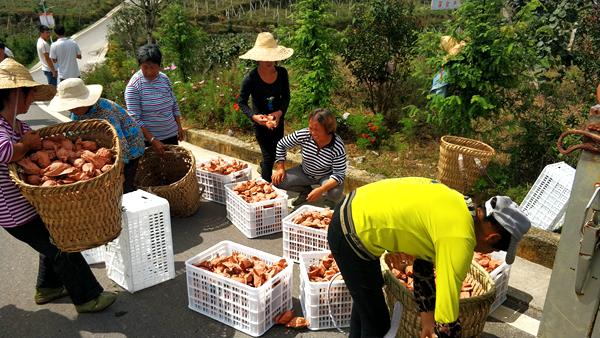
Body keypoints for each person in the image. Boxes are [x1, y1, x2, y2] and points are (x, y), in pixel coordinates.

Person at [327, 177, 531, 338]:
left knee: (368, 304)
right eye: (493, 249)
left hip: (353, 213)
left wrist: (426, 321)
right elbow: (448, 322)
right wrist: (439, 325)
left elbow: (423, 269)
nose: (486, 253)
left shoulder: (460, 206)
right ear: (492, 237)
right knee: (377, 323)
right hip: (351, 234)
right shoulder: (460, 239)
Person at [0, 58, 116, 312]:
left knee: (50, 241)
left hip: (28, 204)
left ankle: (48, 288)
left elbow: (35, 143)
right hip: (13, 212)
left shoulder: (17, 125)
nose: (32, 101)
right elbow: (5, 152)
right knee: (60, 246)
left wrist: (58, 149)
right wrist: (28, 146)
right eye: (30, 95)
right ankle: (88, 298)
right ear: (17, 94)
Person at [48, 78, 145, 193]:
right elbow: (75, 134)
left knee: (125, 187)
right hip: (106, 146)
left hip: (130, 146)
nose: (73, 109)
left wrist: (120, 172)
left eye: (75, 106)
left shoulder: (105, 111)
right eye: (70, 107)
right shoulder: (76, 114)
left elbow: (120, 141)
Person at [238, 32, 292, 182]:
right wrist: (254, 117)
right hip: (260, 122)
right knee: (269, 156)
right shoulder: (251, 78)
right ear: (258, 58)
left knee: (278, 151)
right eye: (265, 57)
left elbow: (286, 97)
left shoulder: (282, 73)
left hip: (277, 119)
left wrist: (279, 113)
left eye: (272, 56)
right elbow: (241, 102)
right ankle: (267, 187)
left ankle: (264, 169)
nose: (269, 61)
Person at [272, 108, 347, 207]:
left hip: (326, 176)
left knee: (335, 192)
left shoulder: (337, 145)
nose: (312, 132)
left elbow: (339, 175)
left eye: (316, 129)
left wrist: (321, 189)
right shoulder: (305, 134)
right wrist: (280, 167)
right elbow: (282, 144)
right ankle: (305, 192)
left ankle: (330, 202)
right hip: (305, 172)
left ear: (328, 129)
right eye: (310, 128)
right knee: (278, 181)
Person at [124, 44, 183, 155]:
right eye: (145, 67)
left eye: (153, 67)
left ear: (159, 66)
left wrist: (179, 126)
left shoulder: (164, 79)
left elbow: (174, 103)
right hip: (150, 141)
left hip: (171, 135)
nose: (149, 71)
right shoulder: (134, 86)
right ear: (140, 65)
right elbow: (135, 118)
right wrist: (152, 140)